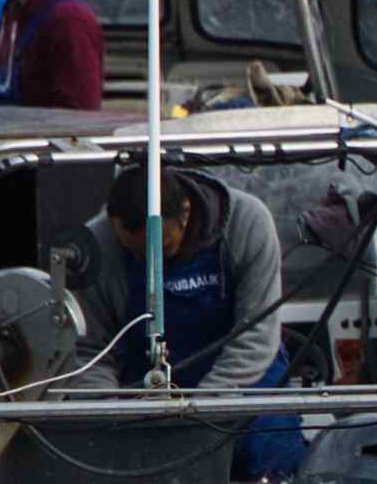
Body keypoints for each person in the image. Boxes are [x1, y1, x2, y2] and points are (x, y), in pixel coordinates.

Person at [64, 162, 289, 393]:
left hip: (246, 380)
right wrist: (106, 407)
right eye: (135, 252)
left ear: (186, 211)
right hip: (143, 389)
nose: (150, 260)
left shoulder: (247, 222)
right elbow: (90, 352)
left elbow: (257, 334)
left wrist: (206, 405)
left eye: (164, 248)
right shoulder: (96, 246)